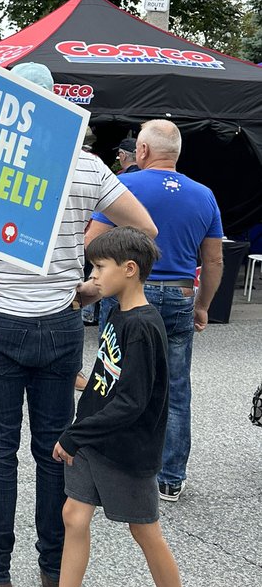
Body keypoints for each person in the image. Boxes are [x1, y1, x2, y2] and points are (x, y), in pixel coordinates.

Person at [0, 62, 157, 587]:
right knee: (56, 450)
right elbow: (143, 228)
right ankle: (55, 573)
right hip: (57, 318)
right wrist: (91, 283)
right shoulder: (84, 166)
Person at [4, 226, 203, 587]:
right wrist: (80, 393)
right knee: (74, 514)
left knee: (146, 531)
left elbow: (132, 401)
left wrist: (75, 434)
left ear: (129, 270)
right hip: (96, 442)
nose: (92, 276)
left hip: (123, 450)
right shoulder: (117, 315)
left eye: (99, 268)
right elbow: (107, 378)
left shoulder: (143, 326)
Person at [85, 118, 224, 502]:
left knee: (114, 377)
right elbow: (213, 262)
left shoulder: (123, 186)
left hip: (130, 293)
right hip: (181, 295)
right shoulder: (205, 195)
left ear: (141, 151)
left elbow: (93, 244)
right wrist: (202, 306)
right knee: (175, 386)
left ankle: (110, 462)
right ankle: (171, 476)